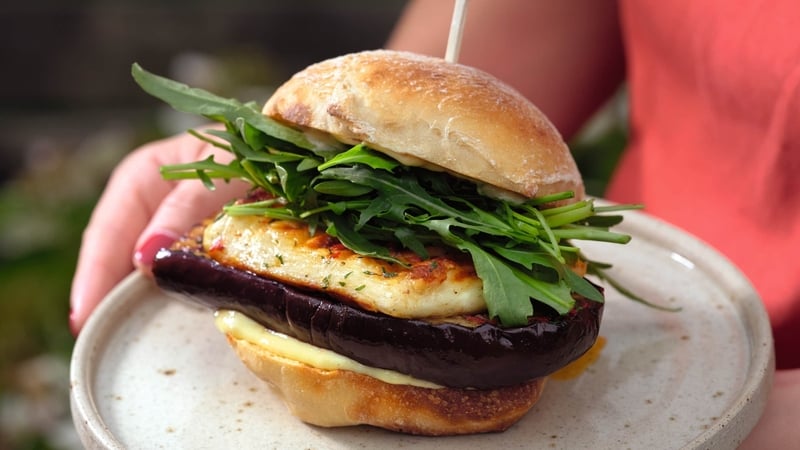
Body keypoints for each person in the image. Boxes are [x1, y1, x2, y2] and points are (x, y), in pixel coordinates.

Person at [70, 0, 799, 446]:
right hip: (675, 317)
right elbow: (451, 78)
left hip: (716, 375)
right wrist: (280, 157)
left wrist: (737, 418)